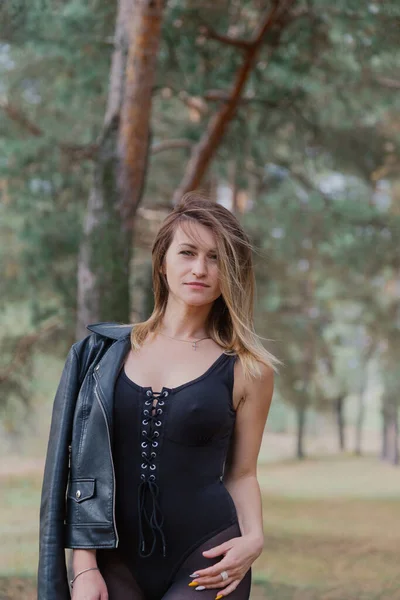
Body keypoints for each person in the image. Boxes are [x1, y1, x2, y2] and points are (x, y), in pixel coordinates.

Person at [37, 192, 280, 600]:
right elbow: (83, 468)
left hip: (207, 557)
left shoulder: (249, 368)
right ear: (162, 261)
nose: (200, 269)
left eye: (216, 257)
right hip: (113, 560)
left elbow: (242, 473)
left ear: (232, 272)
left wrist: (254, 538)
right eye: (187, 252)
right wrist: (83, 566)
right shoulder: (103, 355)